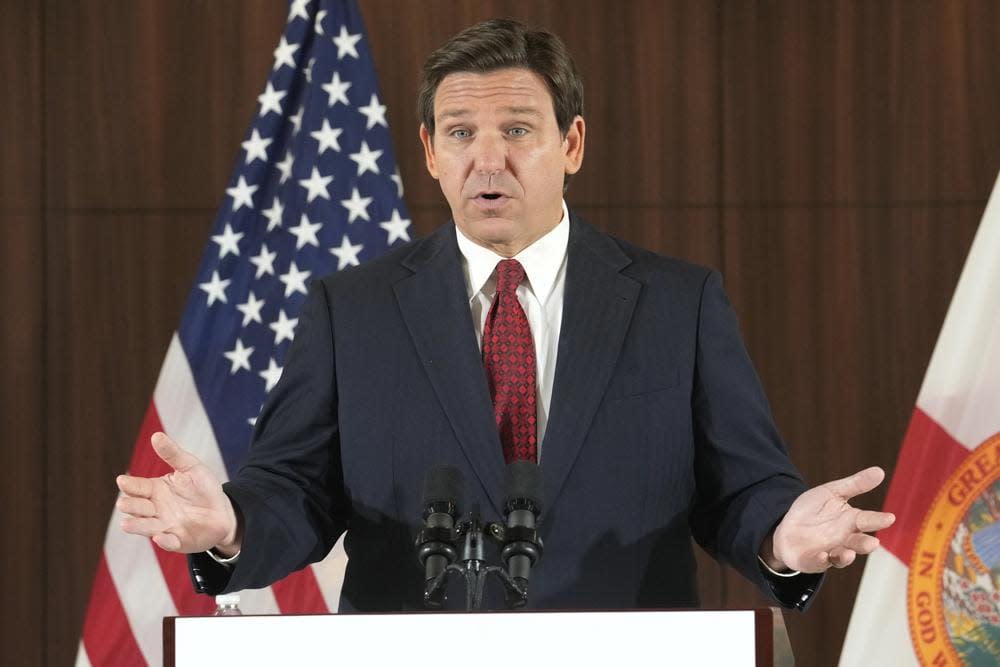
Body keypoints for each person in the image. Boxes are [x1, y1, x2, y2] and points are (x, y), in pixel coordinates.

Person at [116, 19, 894, 612]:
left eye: (518, 130)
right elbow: (294, 490)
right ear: (428, 151)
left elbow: (742, 488)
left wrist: (782, 537)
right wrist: (231, 524)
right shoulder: (350, 311)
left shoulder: (677, 304)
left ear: (572, 143)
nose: (488, 160)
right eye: (460, 134)